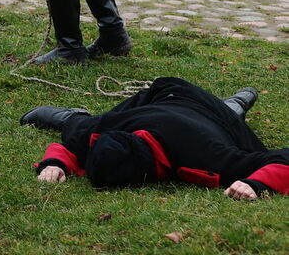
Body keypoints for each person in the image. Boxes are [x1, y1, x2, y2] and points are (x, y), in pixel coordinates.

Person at [21, 77, 286, 200]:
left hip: (210, 113)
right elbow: (70, 143)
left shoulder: (210, 156)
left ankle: (237, 103)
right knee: (75, 123)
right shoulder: (106, 128)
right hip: (161, 95)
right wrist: (54, 163)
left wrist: (256, 184)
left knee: (230, 114)